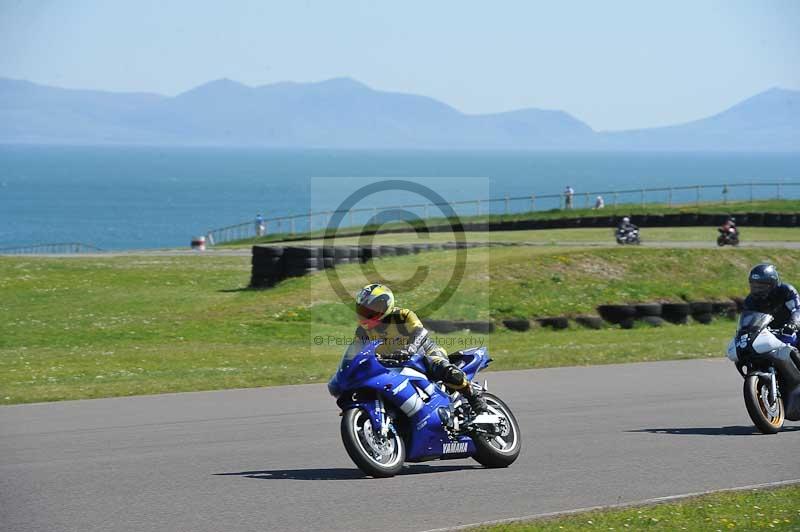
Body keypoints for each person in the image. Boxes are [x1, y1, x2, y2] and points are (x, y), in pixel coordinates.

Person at [354, 283, 488, 414]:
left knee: (441, 366)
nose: (367, 314)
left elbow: (420, 332)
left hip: (424, 353)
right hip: (394, 364)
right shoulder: (362, 332)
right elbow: (357, 354)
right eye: (363, 310)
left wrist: (410, 349)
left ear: (385, 304)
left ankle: (473, 395)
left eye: (371, 309)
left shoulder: (402, 315)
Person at [744, 264, 800, 335]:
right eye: (754, 286)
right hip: (767, 336)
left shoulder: (786, 291)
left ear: (773, 284)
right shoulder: (750, 301)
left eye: (761, 287)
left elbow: (797, 310)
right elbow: (747, 323)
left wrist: (793, 324)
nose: (757, 290)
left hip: (792, 331)